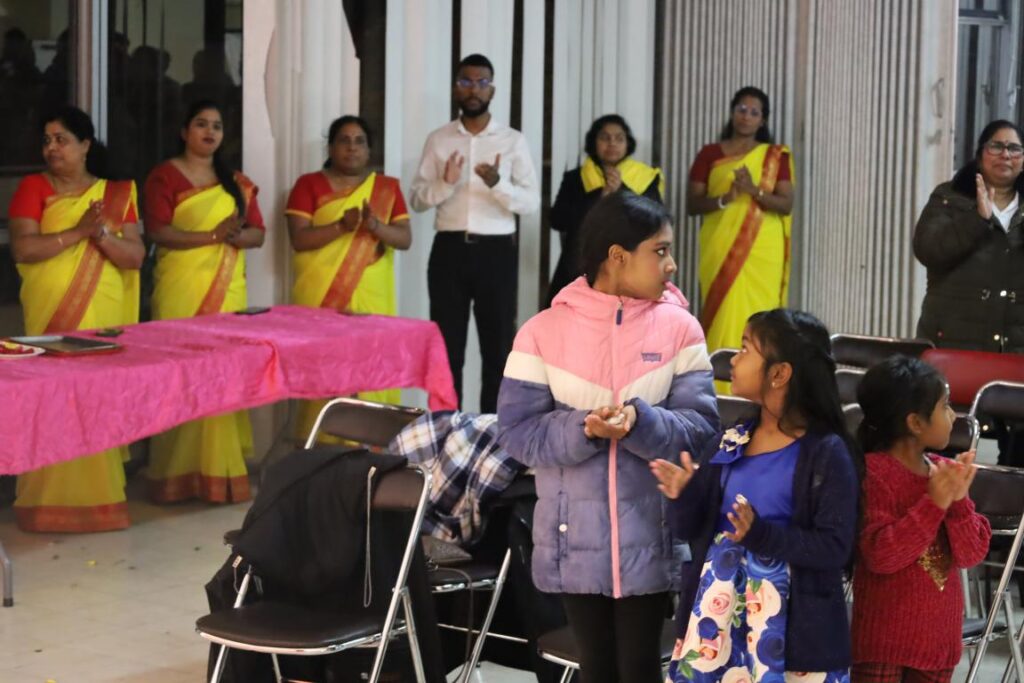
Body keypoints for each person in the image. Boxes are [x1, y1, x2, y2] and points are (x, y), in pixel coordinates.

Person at [498, 192, 719, 683]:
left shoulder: (682, 330)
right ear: (617, 256)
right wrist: (585, 428)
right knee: (595, 669)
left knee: (640, 669)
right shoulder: (540, 332)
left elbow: (702, 430)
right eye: (660, 251)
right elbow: (517, 431)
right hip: (572, 539)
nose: (672, 264)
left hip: (654, 535)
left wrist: (641, 422)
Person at [652, 308, 859, 682]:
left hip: (795, 636)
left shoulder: (826, 453)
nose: (734, 359)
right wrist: (684, 497)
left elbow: (835, 548)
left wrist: (761, 535)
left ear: (779, 374)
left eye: (746, 349)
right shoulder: (732, 439)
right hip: (716, 620)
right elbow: (691, 531)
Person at [8, 106, 144, 532]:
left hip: (101, 313)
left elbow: (135, 257)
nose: (52, 148)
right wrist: (78, 232)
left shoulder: (116, 194)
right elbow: (25, 249)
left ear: (85, 145)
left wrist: (98, 233)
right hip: (51, 315)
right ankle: (46, 504)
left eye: (61, 139)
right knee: (52, 399)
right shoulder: (33, 187)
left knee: (96, 399)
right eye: (47, 140)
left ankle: (101, 503)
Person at [143, 99, 265, 504]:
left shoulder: (236, 182)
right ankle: (174, 475)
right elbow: (158, 231)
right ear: (184, 131)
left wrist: (234, 236)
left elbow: (258, 233)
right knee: (179, 375)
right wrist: (211, 237)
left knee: (224, 376)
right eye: (201, 124)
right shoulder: (164, 176)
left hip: (227, 292)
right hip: (181, 290)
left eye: (216, 126)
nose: (210, 132)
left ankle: (221, 474)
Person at [411, 53, 540, 413]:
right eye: (466, 82)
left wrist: (498, 184)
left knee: (496, 349)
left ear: (492, 90)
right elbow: (417, 200)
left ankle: (492, 431)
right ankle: (445, 428)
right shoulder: (438, 140)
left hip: (496, 253)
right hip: (449, 251)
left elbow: (530, 203)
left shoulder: (512, 141)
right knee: (447, 348)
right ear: (456, 88)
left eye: (482, 83)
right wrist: (445, 183)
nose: (473, 90)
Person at [851, 356, 991, 683]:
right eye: (945, 406)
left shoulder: (944, 472)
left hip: (938, 646)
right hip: (883, 645)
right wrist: (934, 503)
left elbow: (970, 555)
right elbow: (881, 555)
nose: (953, 415)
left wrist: (957, 503)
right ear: (915, 422)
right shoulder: (875, 473)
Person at [286, 115, 411, 436]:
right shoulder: (308, 185)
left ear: (369, 150)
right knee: (325, 369)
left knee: (372, 368)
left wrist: (375, 226)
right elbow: (299, 239)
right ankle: (322, 446)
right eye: (344, 140)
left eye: (359, 142)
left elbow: (404, 239)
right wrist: (341, 226)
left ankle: (372, 445)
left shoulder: (386, 189)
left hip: (373, 296)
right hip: (322, 297)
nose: (352, 148)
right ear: (330, 148)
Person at [913, 119, 1024, 466]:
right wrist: (977, 218)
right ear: (980, 154)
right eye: (996, 146)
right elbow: (929, 250)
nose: (1005, 154)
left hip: (1016, 348)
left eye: (1014, 148)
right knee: (942, 451)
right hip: (955, 344)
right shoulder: (949, 198)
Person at [686, 87, 795, 382]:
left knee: (761, 316)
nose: (746, 116)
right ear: (732, 112)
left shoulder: (775, 156)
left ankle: (758, 383)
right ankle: (717, 387)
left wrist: (752, 190)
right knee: (722, 310)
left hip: (763, 250)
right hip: (720, 245)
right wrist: (727, 198)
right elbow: (693, 204)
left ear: (763, 120)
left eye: (754, 112)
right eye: (742, 109)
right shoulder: (710, 153)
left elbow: (786, 205)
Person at [545, 114, 664, 306]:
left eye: (619, 138)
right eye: (604, 137)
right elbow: (558, 220)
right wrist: (601, 196)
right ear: (593, 142)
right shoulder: (575, 178)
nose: (612, 143)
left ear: (628, 143)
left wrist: (621, 193)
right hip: (579, 262)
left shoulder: (644, 178)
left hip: (629, 261)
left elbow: (654, 221)